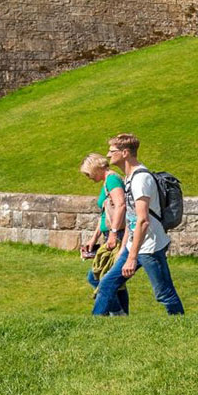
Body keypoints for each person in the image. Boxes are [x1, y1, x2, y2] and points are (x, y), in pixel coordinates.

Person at [92, 133, 185, 316]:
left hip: (149, 246)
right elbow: (132, 218)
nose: (108, 155)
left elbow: (142, 221)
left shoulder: (141, 179)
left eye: (112, 151)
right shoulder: (129, 178)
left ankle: (181, 325)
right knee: (106, 285)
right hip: (133, 244)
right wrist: (124, 248)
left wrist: (132, 257)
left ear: (125, 152)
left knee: (164, 293)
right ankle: (95, 327)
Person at [79, 153, 129, 315]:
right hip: (110, 234)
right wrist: (93, 239)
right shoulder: (107, 182)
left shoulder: (112, 179)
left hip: (118, 235)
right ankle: (122, 315)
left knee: (96, 277)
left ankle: (116, 314)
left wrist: (114, 234)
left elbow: (121, 206)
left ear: (96, 167)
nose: (88, 177)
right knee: (116, 282)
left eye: (88, 173)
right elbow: (105, 214)